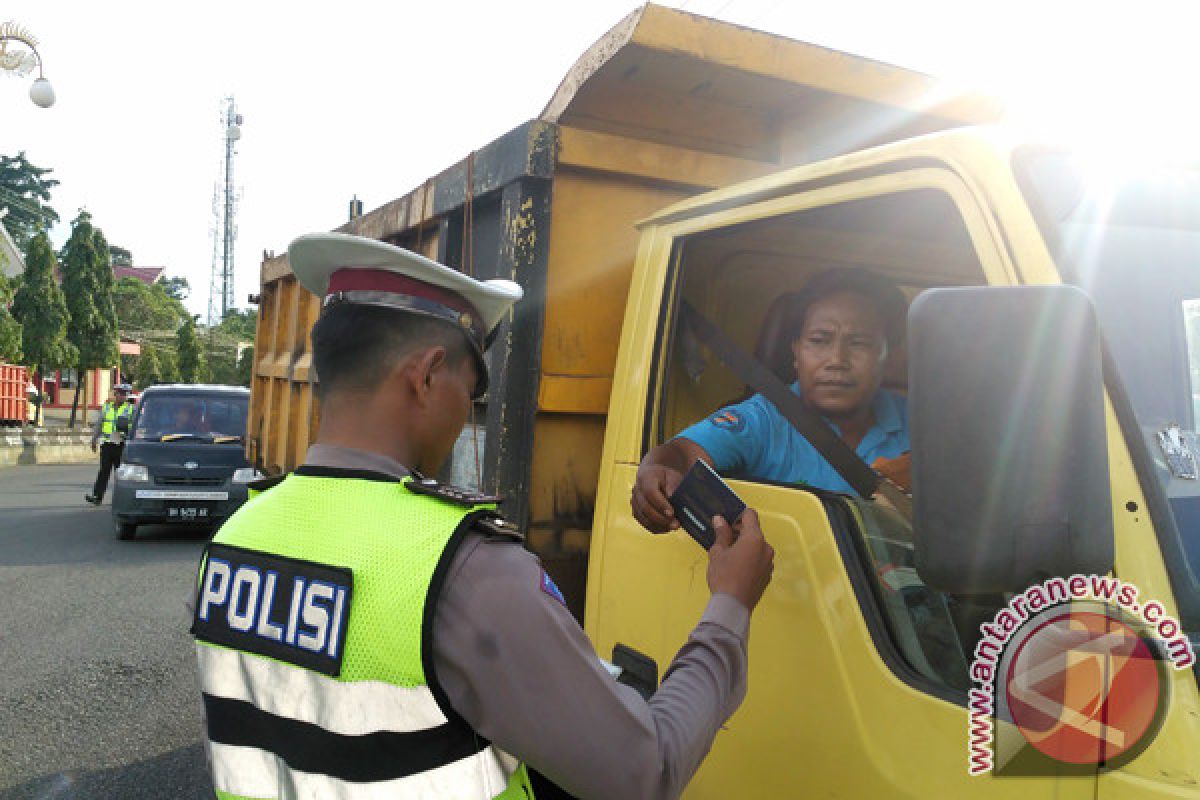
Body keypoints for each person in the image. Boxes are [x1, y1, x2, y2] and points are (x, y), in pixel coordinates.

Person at [190, 233, 775, 800]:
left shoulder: (237, 533)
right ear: (425, 375)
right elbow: (646, 771)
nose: (467, 415)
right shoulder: (464, 568)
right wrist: (730, 605)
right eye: (469, 393)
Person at [632, 268, 912, 534]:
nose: (837, 360)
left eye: (859, 343)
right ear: (796, 351)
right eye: (819, 340)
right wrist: (656, 472)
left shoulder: (923, 424)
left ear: (888, 357)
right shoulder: (762, 420)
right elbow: (681, 454)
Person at [86, 383, 134, 505]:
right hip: (107, 445)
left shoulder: (131, 409)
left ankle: (124, 499)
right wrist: (93, 440)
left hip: (122, 445)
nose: (122, 396)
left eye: (125, 394)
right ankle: (97, 496)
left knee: (122, 474)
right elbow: (99, 425)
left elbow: (135, 427)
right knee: (104, 472)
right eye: (120, 394)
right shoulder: (106, 408)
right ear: (115, 394)